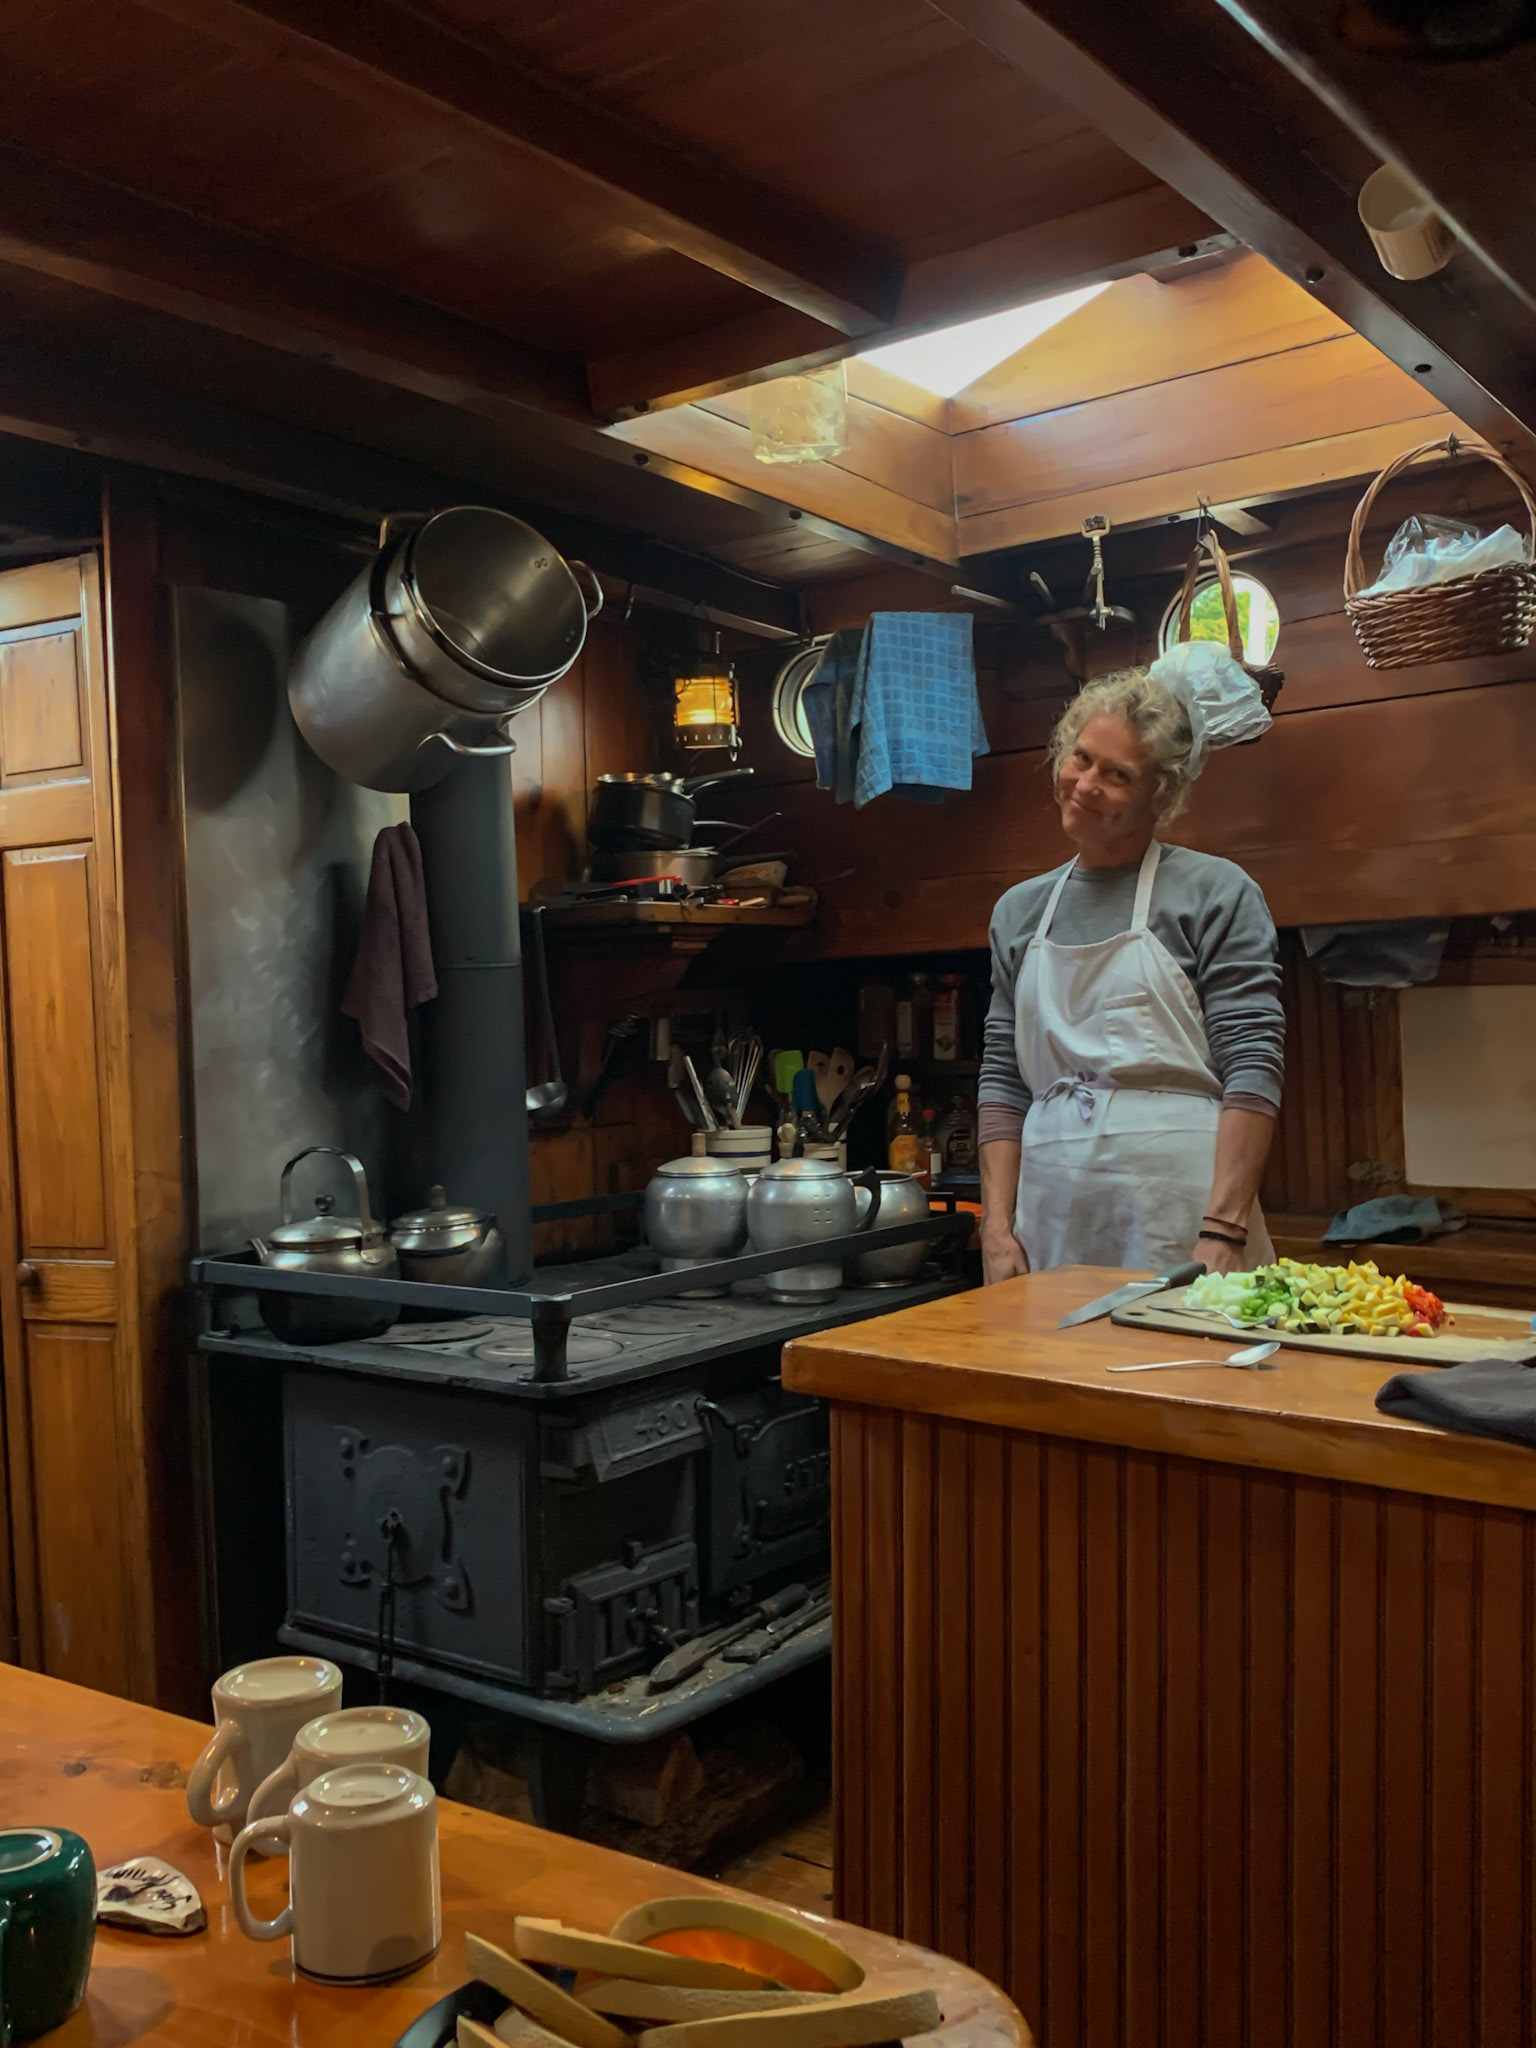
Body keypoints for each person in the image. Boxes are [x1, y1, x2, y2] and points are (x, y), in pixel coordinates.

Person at [978, 665, 1283, 1284]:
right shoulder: (1018, 912)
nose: (1086, 785)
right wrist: (996, 1226)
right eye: (1081, 759)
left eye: (1118, 775)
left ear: (1160, 796)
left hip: (1181, 1212)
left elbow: (1252, 1064)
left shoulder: (1214, 891)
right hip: (1049, 1215)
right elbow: (1004, 1077)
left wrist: (1224, 1230)